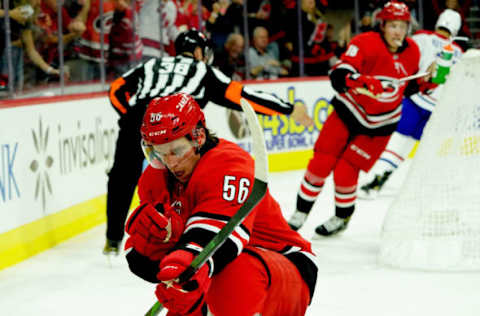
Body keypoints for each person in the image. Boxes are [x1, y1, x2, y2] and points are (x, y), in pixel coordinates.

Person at [104, 29, 313, 255]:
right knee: (177, 177)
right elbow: (244, 97)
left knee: (121, 178)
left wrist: (131, 118)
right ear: (197, 51)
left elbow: (116, 89)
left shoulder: (152, 64)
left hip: (141, 120)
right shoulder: (202, 70)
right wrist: (288, 109)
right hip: (176, 130)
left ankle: (113, 239)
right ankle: (182, 234)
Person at [124, 92, 318, 315]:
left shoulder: (230, 164)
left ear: (198, 137)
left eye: (177, 150)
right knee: (186, 297)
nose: (170, 163)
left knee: (232, 275)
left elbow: (221, 241)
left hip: (282, 265)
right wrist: (151, 247)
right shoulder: (154, 179)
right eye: (158, 153)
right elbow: (154, 266)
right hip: (211, 269)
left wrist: (182, 261)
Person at [287, 1, 421, 236]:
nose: (398, 31)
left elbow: (407, 87)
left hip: (380, 125)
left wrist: (427, 83)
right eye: (392, 26)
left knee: (346, 172)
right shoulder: (365, 43)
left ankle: (342, 216)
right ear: (383, 25)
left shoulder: (412, 51)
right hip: (347, 113)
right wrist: (360, 80)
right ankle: (300, 213)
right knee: (320, 164)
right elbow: (339, 77)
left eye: (402, 26)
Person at [358, 9, 464, 199]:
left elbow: (403, 54)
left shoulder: (423, 37)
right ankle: (427, 184)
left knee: (397, 143)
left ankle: (375, 181)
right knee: (416, 148)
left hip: (416, 101)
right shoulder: (458, 51)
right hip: (437, 109)